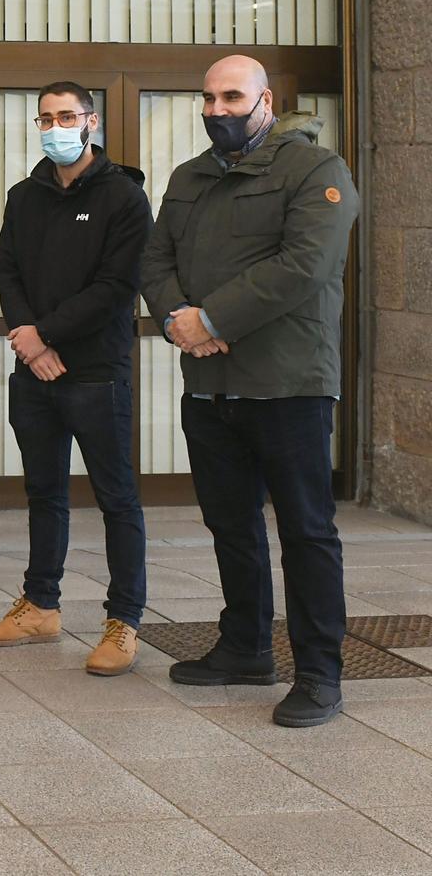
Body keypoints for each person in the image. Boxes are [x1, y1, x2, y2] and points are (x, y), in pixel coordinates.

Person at [143, 54, 358, 728]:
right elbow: (155, 260)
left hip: (288, 383)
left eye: (232, 97)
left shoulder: (315, 171)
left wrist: (211, 318)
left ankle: (320, 674)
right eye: (209, 98)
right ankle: (244, 648)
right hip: (210, 385)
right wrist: (182, 321)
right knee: (230, 524)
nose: (218, 110)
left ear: (266, 101)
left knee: (306, 531)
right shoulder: (190, 177)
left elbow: (305, 266)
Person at [0, 82, 151, 676]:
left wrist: (44, 335)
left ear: (91, 121)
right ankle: (40, 606)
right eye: (46, 117)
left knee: (116, 499)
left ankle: (124, 622)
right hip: (36, 372)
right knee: (44, 493)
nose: (56, 125)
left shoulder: (124, 197)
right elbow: (7, 270)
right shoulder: (25, 196)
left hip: (96, 373)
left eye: (67, 115)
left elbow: (114, 287)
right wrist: (29, 339)